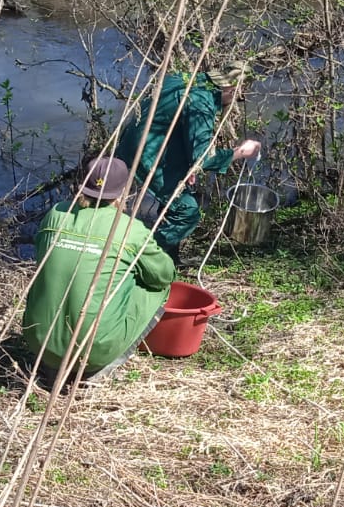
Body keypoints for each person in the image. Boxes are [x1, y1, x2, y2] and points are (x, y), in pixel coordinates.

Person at [21, 156, 174, 382]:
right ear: (124, 192)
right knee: (157, 288)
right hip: (92, 352)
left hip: (38, 340)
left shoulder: (55, 214)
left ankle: (56, 359)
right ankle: (102, 363)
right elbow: (163, 276)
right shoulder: (131, 230)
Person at [112, 61, 263, 264]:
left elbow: (172, 128)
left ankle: (170, 260)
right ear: (231, 88)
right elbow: (204, 159)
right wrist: (241, 152)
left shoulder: (183, 79)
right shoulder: (201, 103)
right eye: (239, 95)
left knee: (175, 202)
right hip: (145, 153)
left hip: (137, 142)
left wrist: (187, 166)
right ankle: (136, 260)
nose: (236, 100)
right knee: (187, 212)